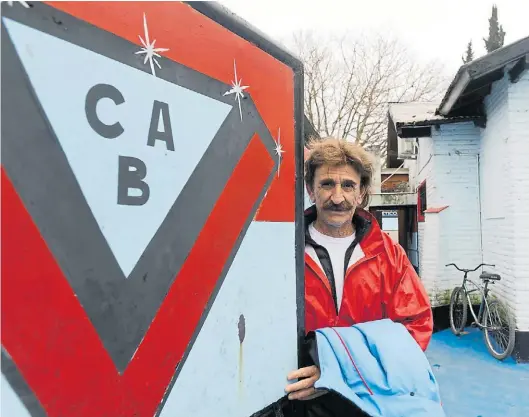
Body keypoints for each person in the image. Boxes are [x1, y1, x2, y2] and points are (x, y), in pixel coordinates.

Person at [285, 138, 433, 409]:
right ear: (310, 188)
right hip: (296, 398)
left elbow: (415, 326)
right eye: (327, 184)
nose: (338, 197)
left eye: (348, 185)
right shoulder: (284, 251)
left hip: (369, 398)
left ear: (362, 193)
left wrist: (337, 373)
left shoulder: (389, 256)